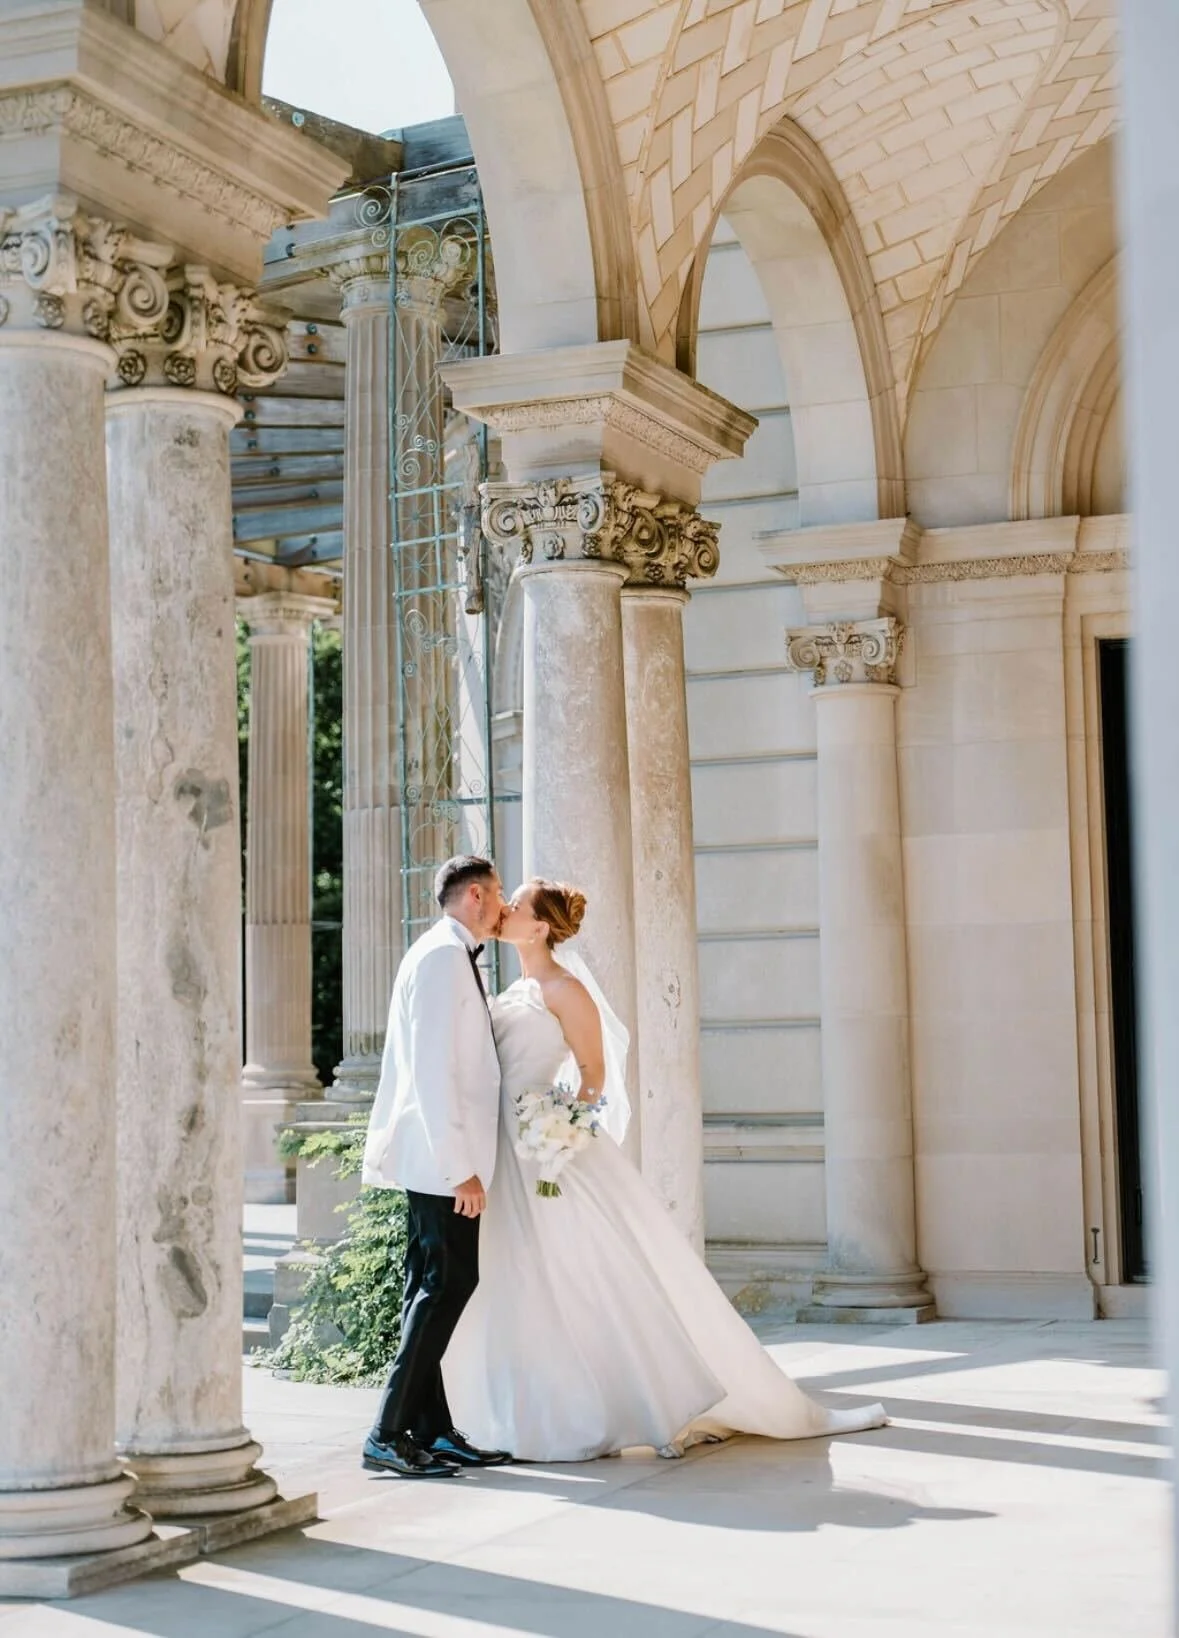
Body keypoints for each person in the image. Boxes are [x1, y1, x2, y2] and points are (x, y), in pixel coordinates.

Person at [442, 877, 888, 1462]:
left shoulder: (565, 989)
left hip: (546, 1152)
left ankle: (651, 1399)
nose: (502, 911)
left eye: (515, 905)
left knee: (591, 1271)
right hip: (507, 1152)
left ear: (542, 926)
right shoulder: (515, 986)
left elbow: (594, 1074)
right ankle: (538, 1405)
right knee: (526, 1277)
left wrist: (557, 1128)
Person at [360, 854, 514, 1478]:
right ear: (475, 895)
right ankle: (386, 1432)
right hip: (438, 1161)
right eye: (499, 893)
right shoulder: (441, 957)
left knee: (430, 1285)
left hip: (438, 1159)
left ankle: (432, 1430)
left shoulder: (445, 953)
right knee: (448, 1284)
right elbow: (431, 1071)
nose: (503, 904)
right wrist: (460, 1168)